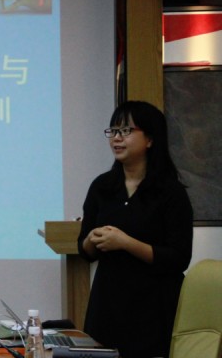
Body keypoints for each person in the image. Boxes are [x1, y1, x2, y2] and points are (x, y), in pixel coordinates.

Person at [77, 100, 193, 358]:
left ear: (150, 139)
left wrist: (126, 243)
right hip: (107, 305)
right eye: (113, 131)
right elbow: (84, 251)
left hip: (153, 308)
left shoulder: (170, 192)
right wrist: (91, 240)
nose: (117, 138)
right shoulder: (102, 187)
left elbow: (179, 258)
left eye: (126, 131)